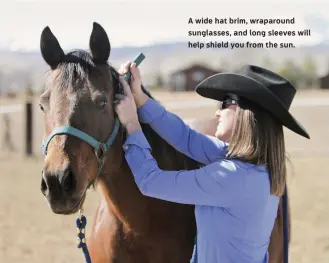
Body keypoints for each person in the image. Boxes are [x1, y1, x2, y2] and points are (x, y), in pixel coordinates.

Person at [114, 63, 310, 263]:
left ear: (248, 112)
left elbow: (151, 181)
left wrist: (131, 124)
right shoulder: (257, 167)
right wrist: (140, 98)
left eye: (227, 102)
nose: (218, 112)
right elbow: (187, 138)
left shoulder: (233, 176)